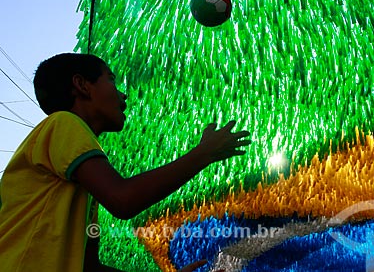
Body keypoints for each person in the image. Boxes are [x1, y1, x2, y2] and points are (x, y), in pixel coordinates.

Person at [0, 53, 251, 272]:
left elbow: (89, 267)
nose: (123, 94)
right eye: (111, 80)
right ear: (81, 85)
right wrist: (204, 154)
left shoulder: (79, 175)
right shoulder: (63, 123)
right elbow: (123, 200)